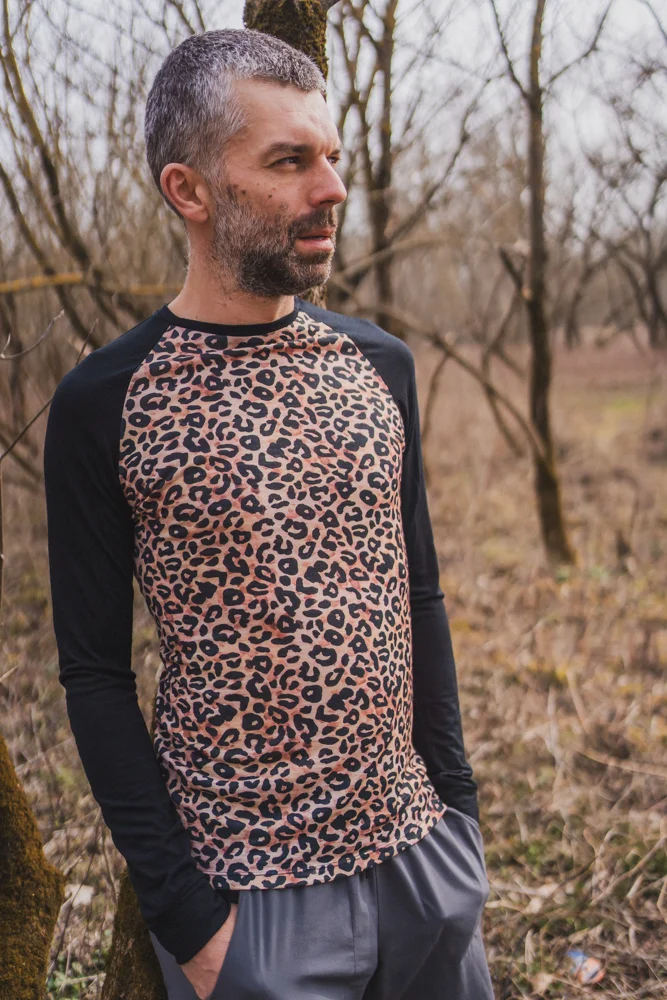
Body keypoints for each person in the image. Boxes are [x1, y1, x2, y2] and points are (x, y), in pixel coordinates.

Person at [44, 27, 494, 1000]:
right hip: (252, 899)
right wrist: (191, 925)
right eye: (288, 161)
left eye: (330, 156)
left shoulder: (378, 365)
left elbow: (418, 594)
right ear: (189, 190)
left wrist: (458, 816)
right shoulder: (107, 401)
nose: (331, 188)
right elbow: (93, 673)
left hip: (421, 859)